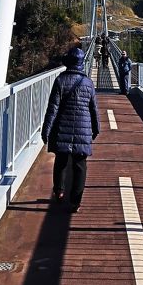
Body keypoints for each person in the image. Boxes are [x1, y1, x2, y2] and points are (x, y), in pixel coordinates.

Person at [41, 46, 100, 212]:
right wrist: (96, 129)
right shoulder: (88, 83)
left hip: (62, 127)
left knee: (61, 161)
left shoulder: (60, 80)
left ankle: (59, 191)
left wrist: (46, 130)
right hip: (83, 129)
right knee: (80, 165)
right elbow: (94, 109)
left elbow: (52, 108)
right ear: (82, 63)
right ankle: (75, 201)